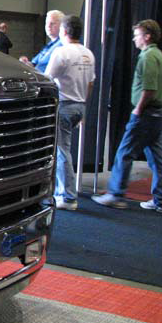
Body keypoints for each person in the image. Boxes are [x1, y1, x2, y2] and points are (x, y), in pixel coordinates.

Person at [92, 19, 162, 212]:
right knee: (157, 158)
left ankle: (115, 194)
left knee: (124, 153)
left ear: (147, 37)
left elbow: (149, 88)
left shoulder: (147, 57)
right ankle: (161, 199)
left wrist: (138, 109)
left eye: (137, 35)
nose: (134, 39)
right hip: (157, 115)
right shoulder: (159, 55)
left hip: (146, 113)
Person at [44, 15, 95, 210]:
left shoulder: (62, 52)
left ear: (64, 31)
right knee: (66, 149)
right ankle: (63, 192)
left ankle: (67, 195)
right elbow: (90, 83)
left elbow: (48, 78)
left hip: (64, 105)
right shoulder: (88, 54)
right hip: (80, 104)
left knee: (62, 151)